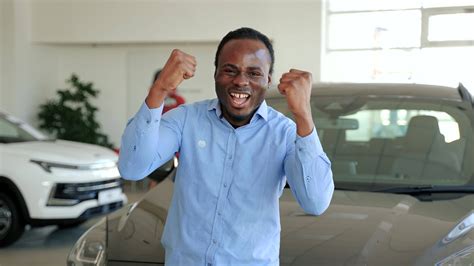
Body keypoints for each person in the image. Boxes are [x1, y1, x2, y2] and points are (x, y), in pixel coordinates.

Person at [118, 27, 334, 265]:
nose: (241, 81)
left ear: (268, 80)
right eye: (230, 70)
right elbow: (132, 167)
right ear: (216, 74)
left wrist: (303, 115)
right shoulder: (187, 119)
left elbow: (315, 203)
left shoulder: (285, 133)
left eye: (254, 73)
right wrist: (159, 90)